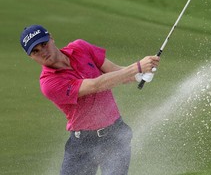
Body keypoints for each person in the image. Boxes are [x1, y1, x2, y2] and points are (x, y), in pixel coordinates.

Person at [20, 24, 160, 175]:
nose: (43, 52)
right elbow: (95, 85)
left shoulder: (80, 47)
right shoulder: (48, 83)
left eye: (44, 44)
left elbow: (116, 72)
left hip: (115, 135)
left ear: (51, 38)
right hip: (82, 145)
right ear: (31, 56)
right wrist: (136, 67)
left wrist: (138, 75)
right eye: (35, 51)